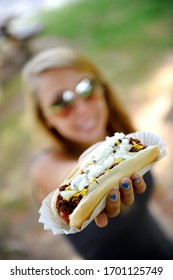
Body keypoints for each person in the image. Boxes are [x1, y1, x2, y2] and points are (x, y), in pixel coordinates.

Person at [22, 47, 173, 260]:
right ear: (45, 117)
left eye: (86, 87)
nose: (82, 108)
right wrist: (92, 164)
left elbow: (160, 195)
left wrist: (166, 202)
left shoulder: (123, 141)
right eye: (60, 103)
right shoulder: (44, 168)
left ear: (102, 87)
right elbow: (66, 177)